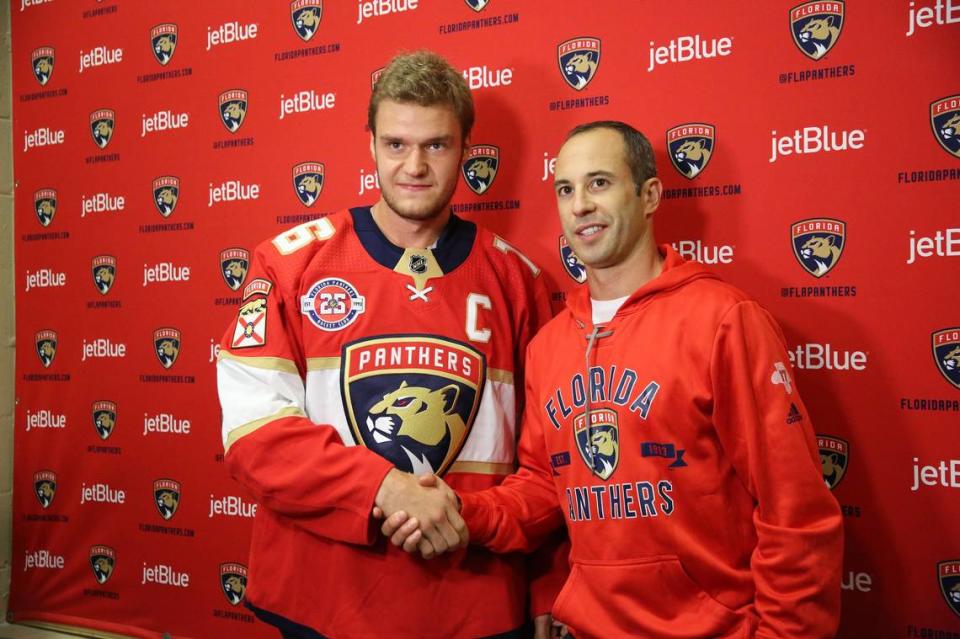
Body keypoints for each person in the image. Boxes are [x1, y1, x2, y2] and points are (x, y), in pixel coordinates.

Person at [383, 121, 844, 638]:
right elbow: (541, 488)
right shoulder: (550, 345)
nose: (579, 205)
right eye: (565, 189)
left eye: (599, 183)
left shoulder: (722, 320)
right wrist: (459, 512)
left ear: (649, 195)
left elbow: (796, 514)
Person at [216, 51, 562, 638]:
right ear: (371, 143)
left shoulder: (520, 283)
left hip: (473, 603)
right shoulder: (289, 264)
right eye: (397, 144)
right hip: (324, 599)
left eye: (437, 145)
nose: (415, 166)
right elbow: (256, 436)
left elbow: (551, 463)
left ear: (466, 148)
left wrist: (551, 587)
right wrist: (384, 486)